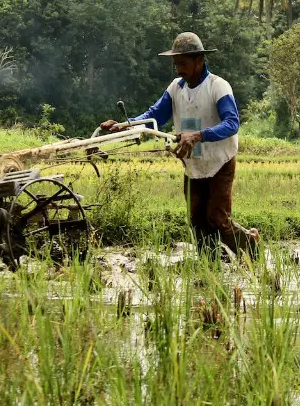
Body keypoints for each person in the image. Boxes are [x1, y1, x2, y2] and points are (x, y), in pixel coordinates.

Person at [101, 32, 260, 260]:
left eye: (183, 64)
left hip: (219, 161)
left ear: (199, 60)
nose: (178, 70)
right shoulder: (176, 87)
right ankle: (209, 268)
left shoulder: (218, 86)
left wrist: (198, 135)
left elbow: (232, 123)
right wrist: (126, 125)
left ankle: (252, 251)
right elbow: (155, 115)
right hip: (193, 163)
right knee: (197, 220)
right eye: (176, 64)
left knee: (217, 219)